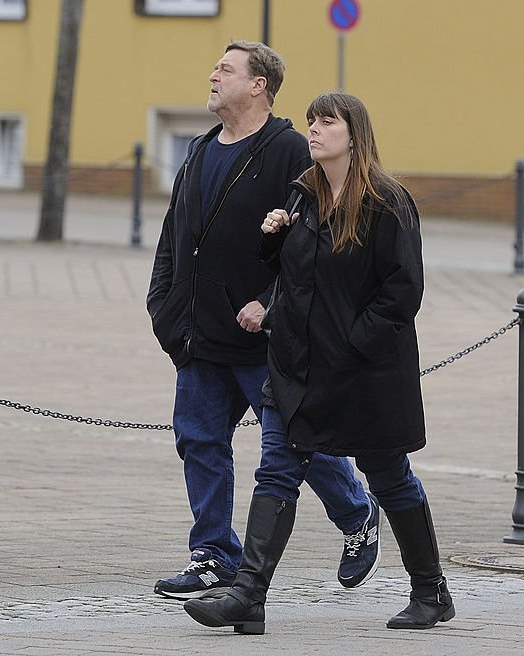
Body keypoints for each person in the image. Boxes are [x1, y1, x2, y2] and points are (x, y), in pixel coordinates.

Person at [183, 92, 455, 634]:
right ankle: (248, 596)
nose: (314, 129)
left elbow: (402, 291)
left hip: (363, 371)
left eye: (326, 122)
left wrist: (355, 342)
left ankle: (431, 592)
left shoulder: (386, 201)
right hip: (295, 365)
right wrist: (273, 241)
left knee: (388, 477)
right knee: (278, 468)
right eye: (311, 121)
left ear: (354, 134)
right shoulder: (304, 196)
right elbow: (296, 276)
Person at [146, 43, 381, 601]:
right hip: (198, 335)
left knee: (301, 443)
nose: (212, 76)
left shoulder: (289, 151)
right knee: (199, 440)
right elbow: (174, 235)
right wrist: (163, 303)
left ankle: (358, 514)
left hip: (263, 338)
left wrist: (269, 304)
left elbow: (312, 241)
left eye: (225, 69)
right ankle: (213, 555)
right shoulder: (200, 149)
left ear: (258, 85)